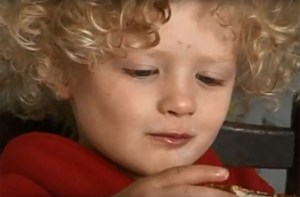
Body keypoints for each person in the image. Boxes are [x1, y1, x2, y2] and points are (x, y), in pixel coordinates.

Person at [0, 0, 299, 196]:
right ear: (59, 71)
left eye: (210, 78)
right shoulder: (27, 180)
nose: (182, 103)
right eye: (142, 72)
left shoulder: (235, 181)